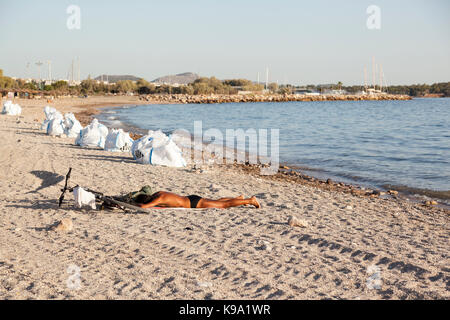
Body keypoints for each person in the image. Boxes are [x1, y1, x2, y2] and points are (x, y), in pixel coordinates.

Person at [137, 191, 260, 209]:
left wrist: (139, 204)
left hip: (194, 203)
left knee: (224, 205)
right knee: (218, 201)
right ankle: (238, 199)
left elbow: (144, 207)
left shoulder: (159, 199)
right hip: (190, 198)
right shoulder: (158, 193)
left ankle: (250, 201)